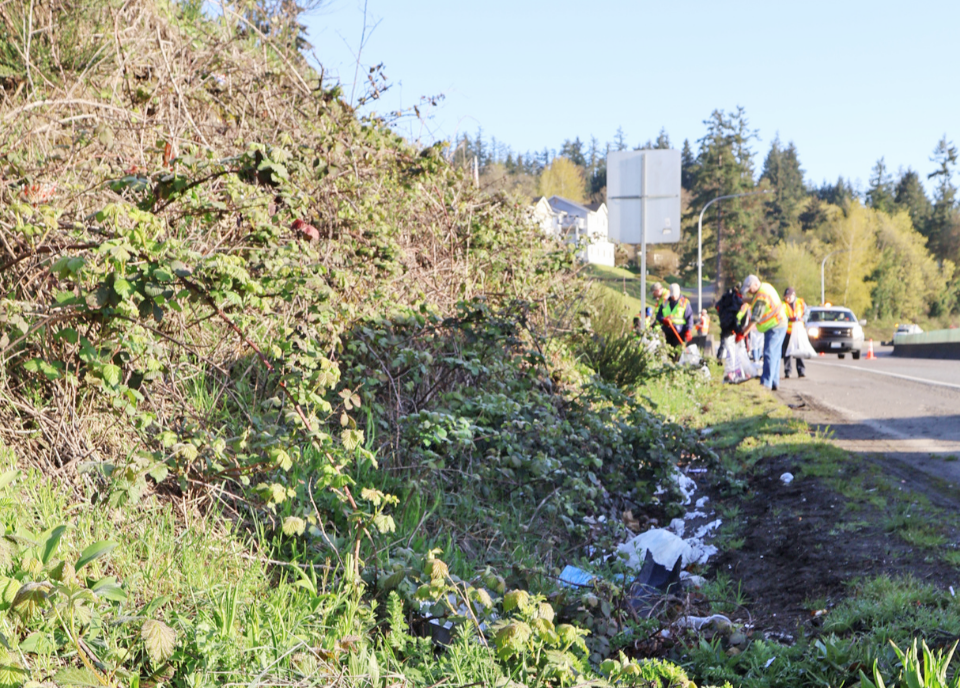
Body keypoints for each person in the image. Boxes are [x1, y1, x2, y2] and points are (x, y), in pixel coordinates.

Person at [739, 274, 788, 391]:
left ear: (756, 284)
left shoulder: (761, 295)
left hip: (775, 325)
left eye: (750, 289)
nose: (749, 291)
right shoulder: (763, 288)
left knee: (769, 353)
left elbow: (755, 317)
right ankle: (774, 382)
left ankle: (766, 383)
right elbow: (754, 300)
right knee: (775, 355)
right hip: (778, 324)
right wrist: (743, 300)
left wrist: (743, 332)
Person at [782, 287, 807, 378]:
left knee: (799, 352)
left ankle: (801, 371)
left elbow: (806, 314)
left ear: (794, 295)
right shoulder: (783, 305)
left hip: (798, 331)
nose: (787, 299)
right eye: (786, 297)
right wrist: (789, 319)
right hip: (787, 332)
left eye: (789, 297)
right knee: (787, 353)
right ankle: (788, 371)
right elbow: (782, 316)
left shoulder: (800, 302)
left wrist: (802, 319)